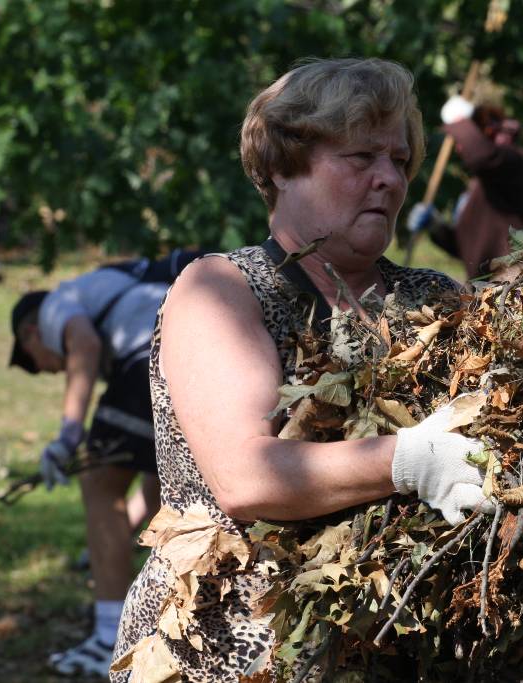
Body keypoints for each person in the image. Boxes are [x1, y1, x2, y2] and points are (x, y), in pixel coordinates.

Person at [111, 58, 494, 682]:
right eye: (361, 157)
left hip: (399, 650)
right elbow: (245, 477)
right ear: (285, 166)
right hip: (231, 649)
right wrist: (414, 460)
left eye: (399, 161)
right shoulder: (223, 291)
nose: (389, 180)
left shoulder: (435, 300)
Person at [9, 263, 168, 676]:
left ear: (30, 333)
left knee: (100, 483)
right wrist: (113, 536)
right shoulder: (104, 288)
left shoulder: (57, 304)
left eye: (36, 361)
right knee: (163, 485)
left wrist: (67, 436)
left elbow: (83, 346)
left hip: (151, 348)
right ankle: (155, 624)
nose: (51, 369)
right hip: (183, 342)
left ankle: (110, 642)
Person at [407, 91, 523, 279]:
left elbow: (481, 156)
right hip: (489, 292)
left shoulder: (514, 162)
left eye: (463, 137)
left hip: (520, 283)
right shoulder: (478, 188)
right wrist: (435, 227)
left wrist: (459, 122)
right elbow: (469, 250)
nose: (458, 147)